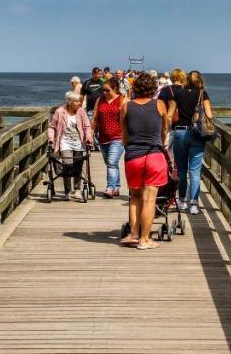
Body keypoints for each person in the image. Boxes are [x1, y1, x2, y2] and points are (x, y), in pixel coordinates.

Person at [120, 73, 169, 249]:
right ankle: (145, 239)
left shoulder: (126, 107)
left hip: (133, 156)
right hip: (154, 155)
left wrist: (131, 147)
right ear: (154, 89)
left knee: (135, 197)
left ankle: (133, 234)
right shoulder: (160, 104)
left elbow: (124, 136)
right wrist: (161, 142)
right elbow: (165, 129)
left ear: (135, 88)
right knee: (149, 200)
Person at [167, 70, 213, 215]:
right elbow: (210, 115)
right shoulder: (202, 94)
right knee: (195, 172)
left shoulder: (178, 93)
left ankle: (181, 200)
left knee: (181, 169)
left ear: (186, 80)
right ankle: (194, 204)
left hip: (180, 132)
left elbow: (169, 115)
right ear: (200, 81)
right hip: (197, 134)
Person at [47, 91, 94, 199]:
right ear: (70, 102)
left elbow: (87, 126)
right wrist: (51, 139)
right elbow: (52, 127)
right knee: (67, 166)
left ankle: (77, 190)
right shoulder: (60, 111)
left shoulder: (81, 112)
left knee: (78, 166)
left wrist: (89, 137)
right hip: (64, 142)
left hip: (79, 142)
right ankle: (67, 191)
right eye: (77, 101)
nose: (79, 103)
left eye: (79, 101)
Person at [91, 76, 126, 198]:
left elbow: (128, 118)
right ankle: (116, 187)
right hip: (103, 137)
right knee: (111, 163)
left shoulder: (122, 99)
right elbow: (95, 118)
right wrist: (90, 134)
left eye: (107, 90)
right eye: (103, 90)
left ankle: (110, 187)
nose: (105, 93)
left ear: (115, 88)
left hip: (118, 137)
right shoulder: (100, 100)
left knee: (111, 162)